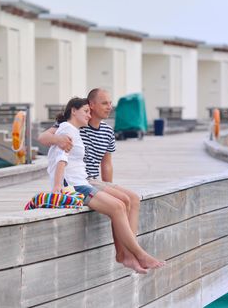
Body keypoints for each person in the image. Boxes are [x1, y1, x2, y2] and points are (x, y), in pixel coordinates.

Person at [39, 88, 153, 272]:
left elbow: (106, 164)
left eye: (110, 103)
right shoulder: (76, 124)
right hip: (83, 180)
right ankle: (128, 254)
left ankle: (129, 253)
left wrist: (109, 187)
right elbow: (44, 138)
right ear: (91, 106)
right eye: (105, 103)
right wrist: (59, 139)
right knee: (121, 202)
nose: (110, 107)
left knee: (132, 198)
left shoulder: (107, 131)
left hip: (92, 180)